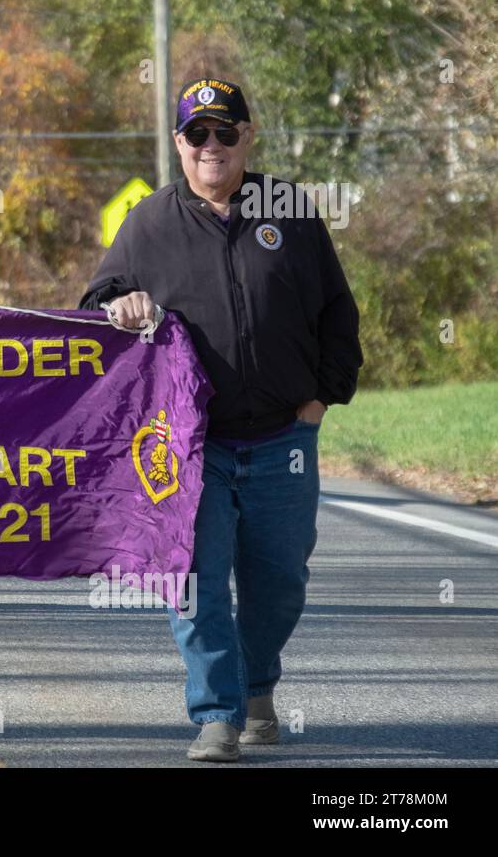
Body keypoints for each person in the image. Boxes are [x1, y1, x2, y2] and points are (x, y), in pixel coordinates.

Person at [80, 77, 363, 762]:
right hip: (190, 445)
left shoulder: (288, 210)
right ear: (178, 143)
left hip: (282, 437)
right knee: (194, 582)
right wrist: (121, 306)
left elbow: (337, 313)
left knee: (282, 580)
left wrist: (323, 397)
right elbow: (97, 304)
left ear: (247, 137)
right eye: (197, 134)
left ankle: (256, 681)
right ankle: (216, 713)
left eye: (224, 132)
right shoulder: (148, 221)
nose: (212, 146)